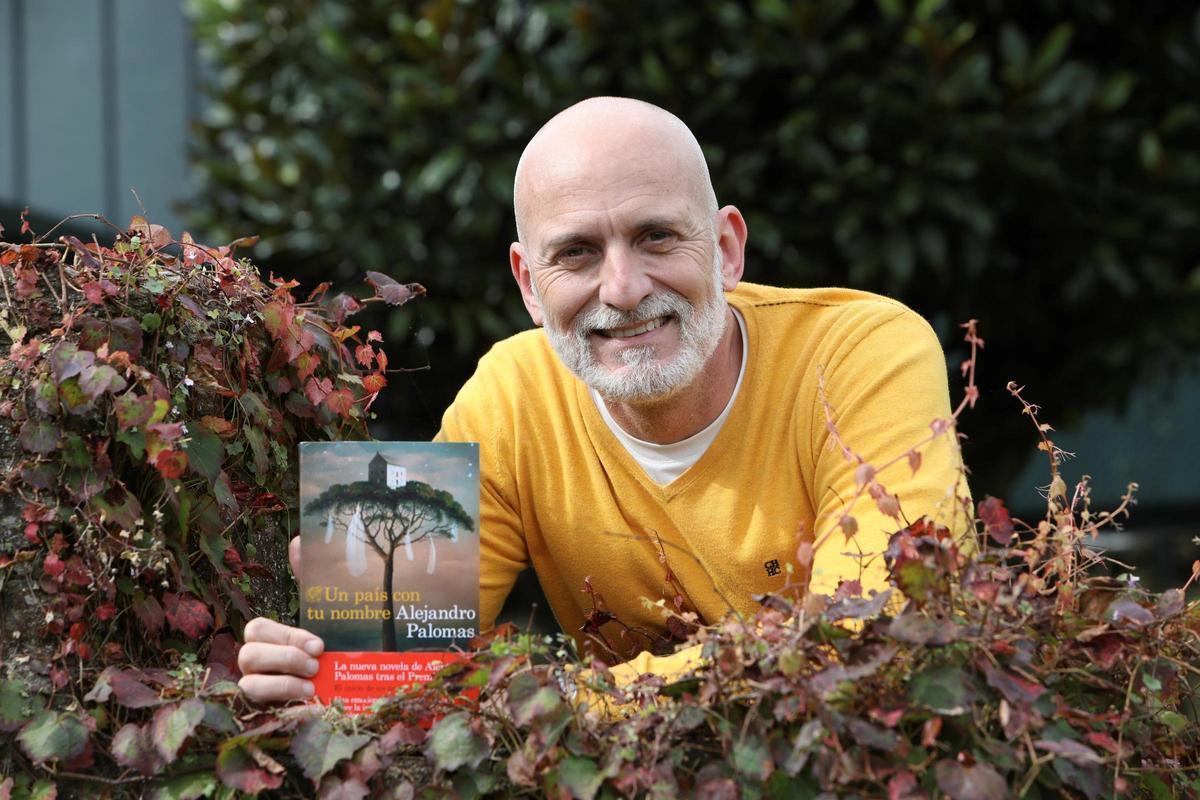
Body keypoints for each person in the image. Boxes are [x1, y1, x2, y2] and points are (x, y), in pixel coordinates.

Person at [238, 97, 969, 704]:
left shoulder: (863, 353)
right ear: (529, 284)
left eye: (655, 237)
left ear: (726, 249)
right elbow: (396, 679)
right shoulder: (512, 395)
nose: (622, 289)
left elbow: (875, 644)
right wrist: (321, 674)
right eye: (577, 253)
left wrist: (547, 706)